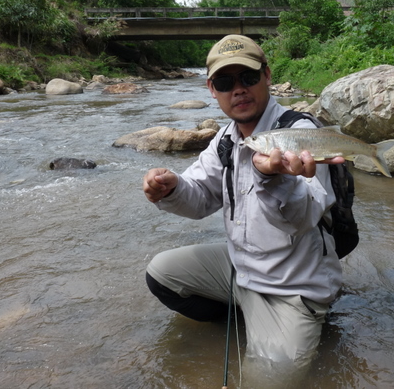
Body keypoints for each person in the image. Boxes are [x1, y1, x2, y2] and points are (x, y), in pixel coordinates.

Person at [142, 34, 343, 375]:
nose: (238, 90)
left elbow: (305, 216)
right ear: (212, 89)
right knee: (161, 273)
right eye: (225, 81)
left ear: (267, 76)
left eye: (248, 78)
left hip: (291, 288)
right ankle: (240, 316)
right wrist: (172, 188)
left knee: (264, 381)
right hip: (241, 271)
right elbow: (200, 196)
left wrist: (274, 179)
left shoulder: (301, 134)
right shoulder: (226, 138)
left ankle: (288, 324)